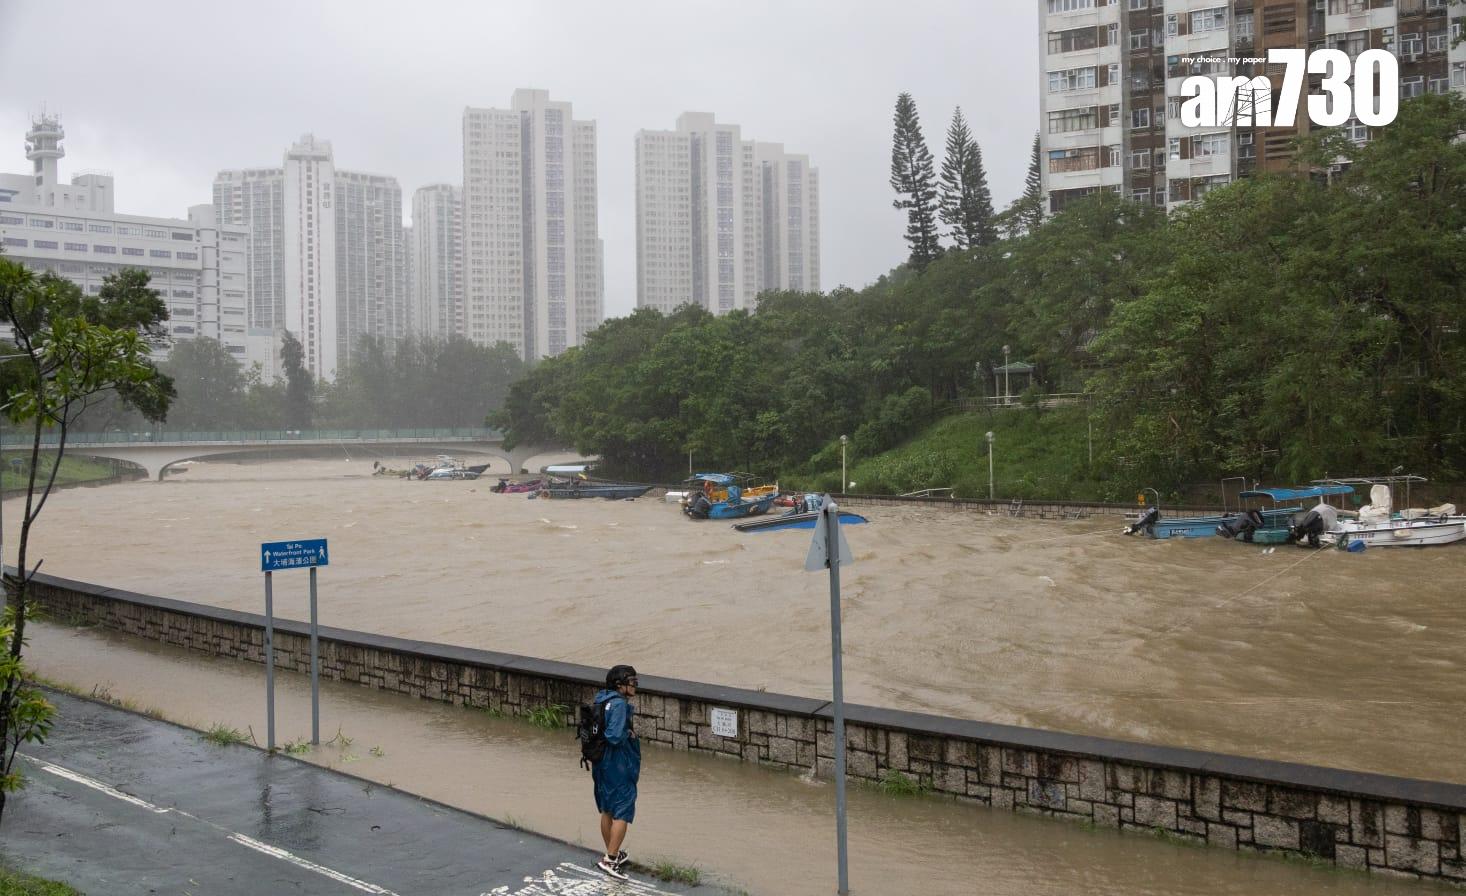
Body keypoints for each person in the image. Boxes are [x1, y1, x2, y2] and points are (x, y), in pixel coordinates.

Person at [592, 664, 641, 880]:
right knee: (623, 809)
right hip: (617, 763)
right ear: (620, 684)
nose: (635, 685)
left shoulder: (601, 699)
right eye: (632, 681)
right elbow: (613, 736)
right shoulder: (620, 705)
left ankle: (612, 853)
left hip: (600, 762)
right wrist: (628, 734)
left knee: (607, 809)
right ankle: (610, 860)